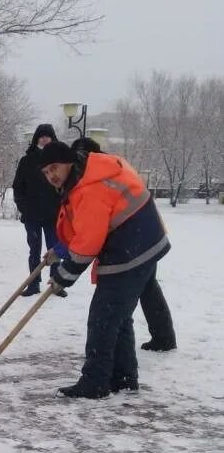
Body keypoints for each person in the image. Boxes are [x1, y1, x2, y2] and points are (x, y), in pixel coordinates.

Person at [39, 141, 171, 399]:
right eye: (46, 172)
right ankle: (122, 378)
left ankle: (96, 382)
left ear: (68, 163)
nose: (51, 176)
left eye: (54, 168)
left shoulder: (89, 187)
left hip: (132, 248)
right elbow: (86, 226)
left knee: (103, 317)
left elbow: (89, 241)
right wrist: (62, 250)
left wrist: (63, 277)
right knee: (116, 317)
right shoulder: (84, 177)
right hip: (136, 245)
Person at [71, 137, 177, 353]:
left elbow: (95, 223)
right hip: (146, 239)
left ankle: (161, 338)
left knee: (132, 295)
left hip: (136, 244)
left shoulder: (98, 178)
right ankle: (164, 337)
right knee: (148, 288)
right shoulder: (114, 166)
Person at [13, 124, 65, 296]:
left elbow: (66, 187)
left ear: (52, 138)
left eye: (47, 136)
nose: (44, 139)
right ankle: (34, 284)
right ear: (36, 139)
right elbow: (18, 187)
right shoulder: (27, 161)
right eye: (41, 136)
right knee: (34, 251)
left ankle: (55, 285)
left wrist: (62, 207)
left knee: (54, 250)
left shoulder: (59, 162)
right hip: (32, 215)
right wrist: (24, 209)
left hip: (53, 216)